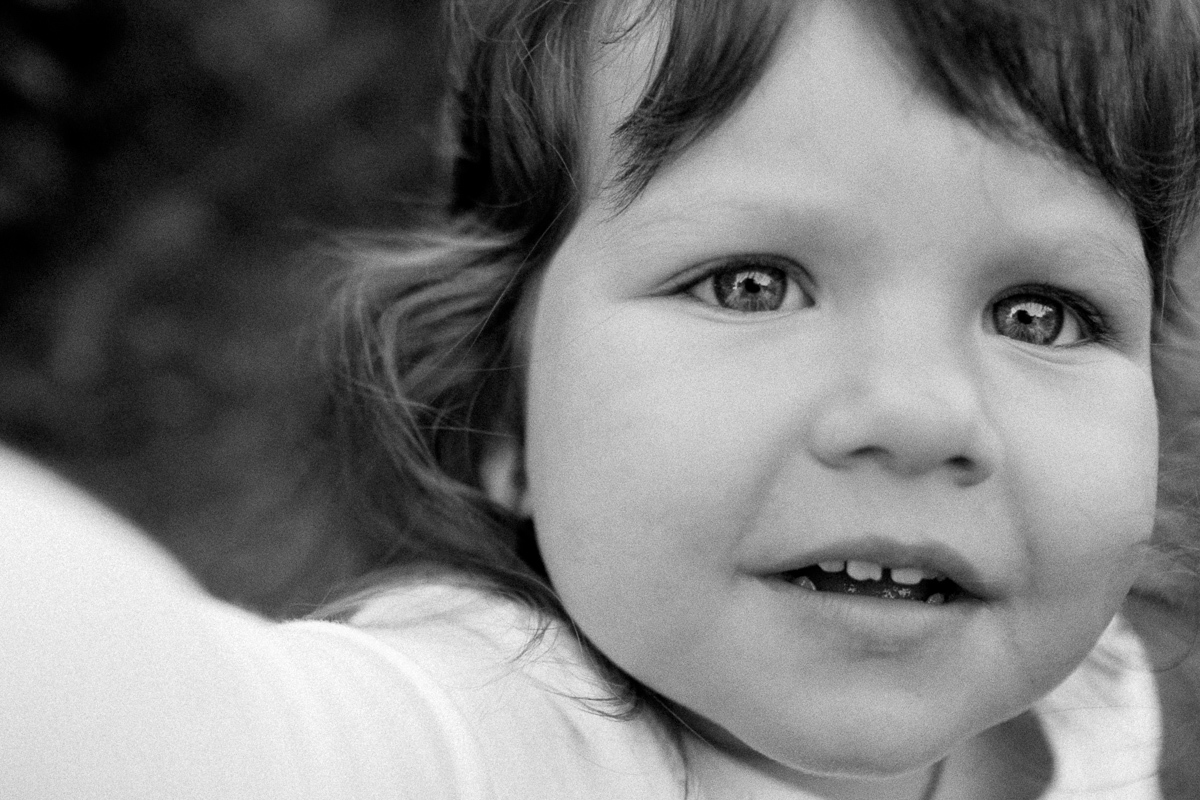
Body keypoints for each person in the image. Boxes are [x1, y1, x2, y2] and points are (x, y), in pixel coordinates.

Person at [5, 0, 1200, 797]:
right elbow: (173, 727)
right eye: (750, 283)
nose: (922, 412)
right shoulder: (499, 733)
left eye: (1039, 313)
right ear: (506, 408)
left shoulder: (1088, 703)